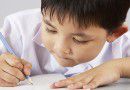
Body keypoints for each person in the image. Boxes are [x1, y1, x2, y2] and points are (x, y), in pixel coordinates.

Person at [0, 0, 130, 89]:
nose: (60, 49)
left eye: (79, 39)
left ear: (114, 33)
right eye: (51, 30)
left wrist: (118, 67)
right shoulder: (18, 29)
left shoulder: (123, 43)